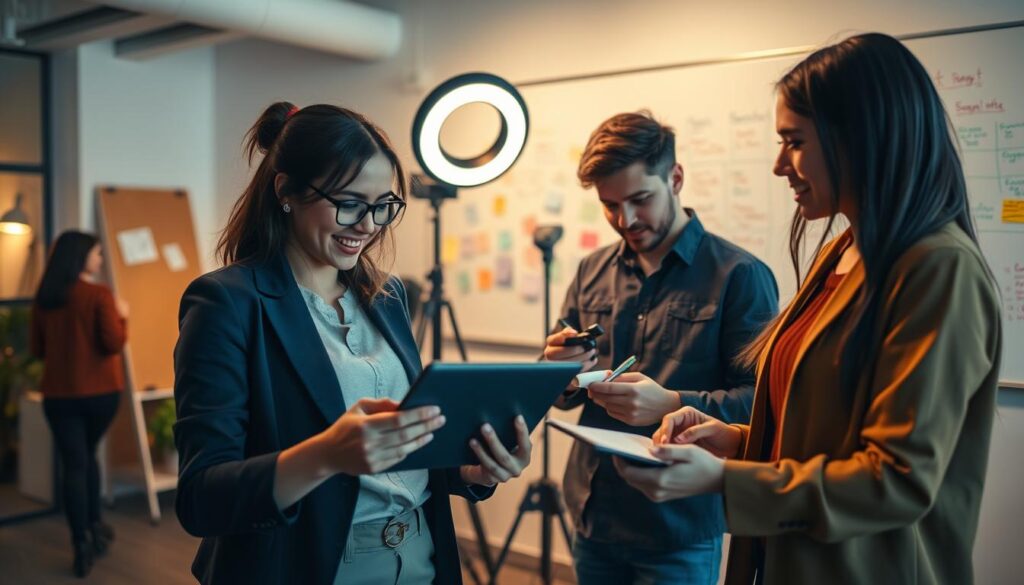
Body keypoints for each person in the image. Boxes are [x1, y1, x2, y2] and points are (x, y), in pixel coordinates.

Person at [615, 33, 1003, 585]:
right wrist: (735, 441)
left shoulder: (939, 269)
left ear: (860, 137)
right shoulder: (844, 251)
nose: (780, 165)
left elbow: (897, 480)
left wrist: (725, 479)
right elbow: (829, 439)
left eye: (793, 141)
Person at [173, 103, 533, 585]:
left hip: (423, 556)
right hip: (312, 566)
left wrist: (470, 471)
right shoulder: (228, 303)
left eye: (383, 205)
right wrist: (324, 455)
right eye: (348, 202)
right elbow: (202, 498)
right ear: (286, 192)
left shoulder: (387, 296)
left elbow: (404, 454)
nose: (368, 224)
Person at [543, 111, 779, 584]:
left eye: (639, 199)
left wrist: (673, 404)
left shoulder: (740, 276)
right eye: (610, 205)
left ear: (675, 178)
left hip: (679, 527)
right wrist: (556, 372)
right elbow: (557, 392)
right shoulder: (592, 269)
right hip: (593, 512)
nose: (625, 220)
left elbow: (765, 402)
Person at [30, 230, 128, 578]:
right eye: (97, 254)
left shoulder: (45, 298)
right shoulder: (100, 295)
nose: (100, 259)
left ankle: (82, 540)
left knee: (76, 461)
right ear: (82, 257)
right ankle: (96, 525)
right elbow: (113, 343)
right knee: (88, 454)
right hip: (100, 395)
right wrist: (123, 314)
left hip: (58, 396)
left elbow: (38, 350)